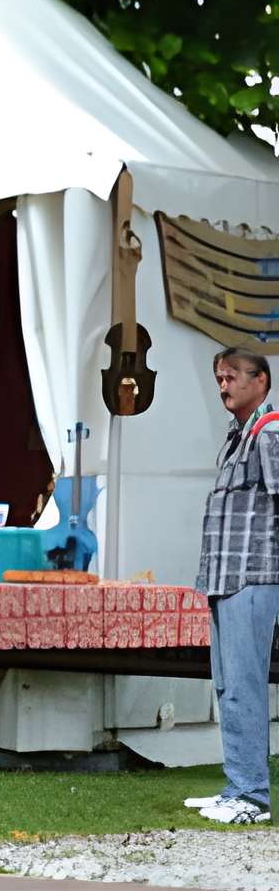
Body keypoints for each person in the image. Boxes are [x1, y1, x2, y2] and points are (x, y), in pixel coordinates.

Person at [188, 347, 279, 827]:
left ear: (260, 381)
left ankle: (252, 796)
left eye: (231, 378)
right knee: (228, 686)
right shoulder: (236, 437)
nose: (223, 386)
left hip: (254, 576)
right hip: (225, 579)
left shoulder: (270, 434)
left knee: (244, 685)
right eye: (219, 378)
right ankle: (237, 787)